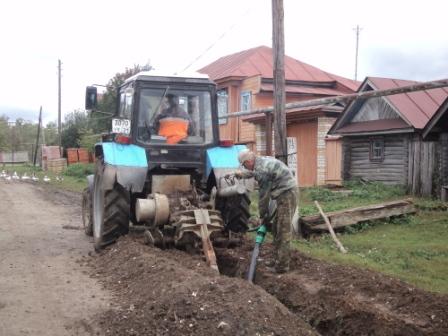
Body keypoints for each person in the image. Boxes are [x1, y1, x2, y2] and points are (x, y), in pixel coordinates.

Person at [236, 149, 298, 273]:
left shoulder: (262, 170)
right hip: (282, 193)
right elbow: (254, 173)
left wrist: (262, 216)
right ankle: (277, 259)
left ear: (248, 161)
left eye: (244, 165)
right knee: (275, 228)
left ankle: (282, 267)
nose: (244, 167)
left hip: (287, 194)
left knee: (283, 231)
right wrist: (241, 174)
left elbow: (264, 196)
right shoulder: (260, 162)